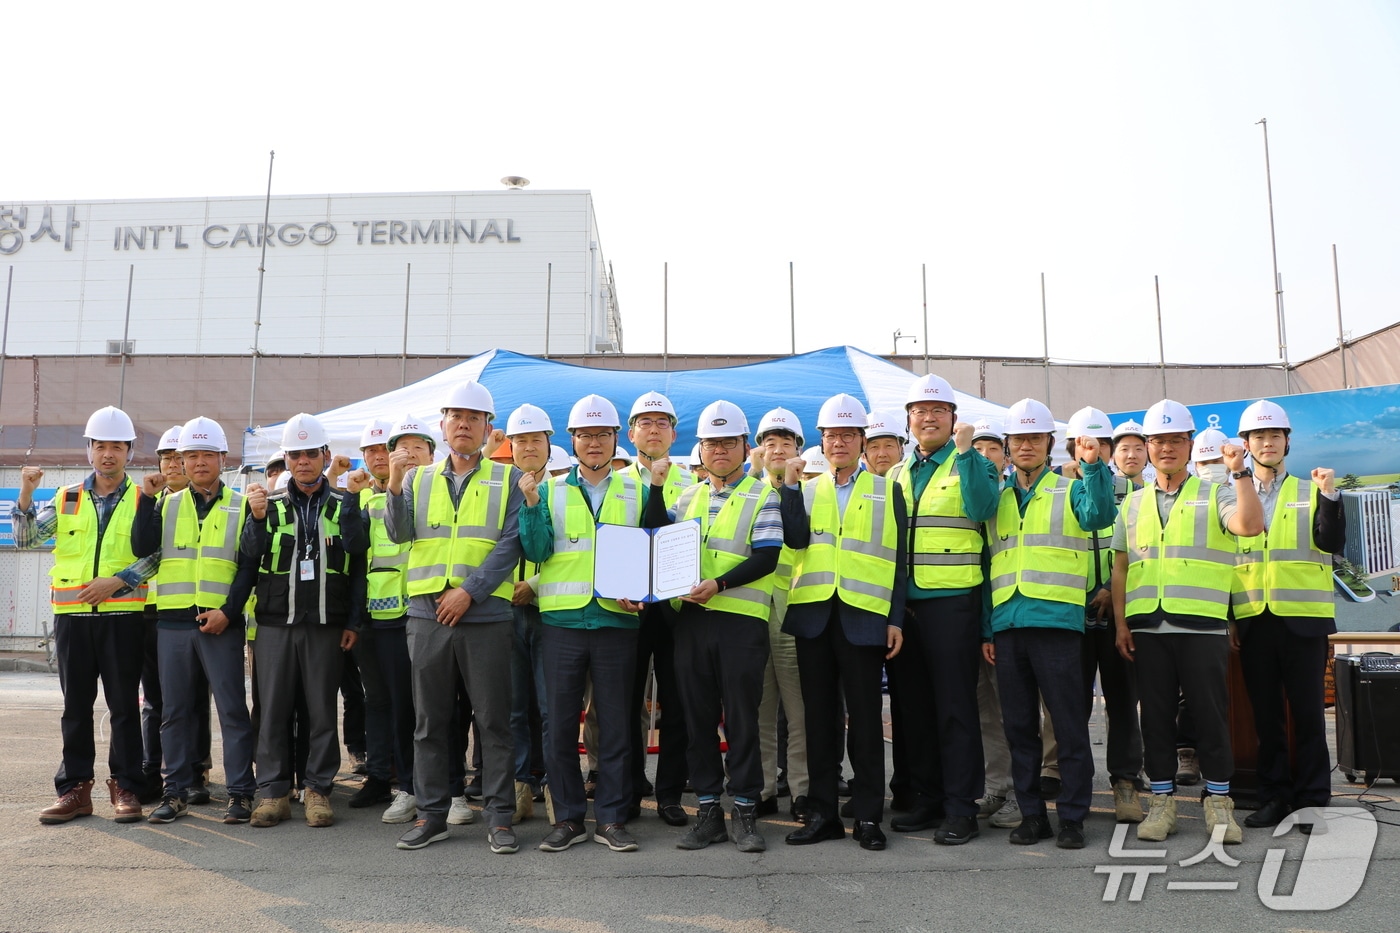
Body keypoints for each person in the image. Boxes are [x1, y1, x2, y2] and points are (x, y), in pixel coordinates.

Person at [1112, 399, 1263, 845]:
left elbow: (1250, 527)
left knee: (1210, 716)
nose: (1166, 449)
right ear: (1148, 446)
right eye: (1158, 441)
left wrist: (1240, 473)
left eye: (1176, 440)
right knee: (1155, 719)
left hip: (1201, 623)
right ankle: (1162, 803)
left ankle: (1219, 802)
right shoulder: (1134, 502)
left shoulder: (1215, 492)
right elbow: (1120, 567)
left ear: (1189, 443)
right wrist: (1121, 624)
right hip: (1147, 627)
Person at [384, 382, 524, 854]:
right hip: (427, 615)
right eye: (455, 416)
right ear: (442, 426)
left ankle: (500, 818)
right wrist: (394, 485)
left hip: (485, 615)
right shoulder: (419, 479)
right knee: (430, 722)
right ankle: (432, 815)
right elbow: (400, 534)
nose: (463, 424)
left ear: (489, 429)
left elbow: (511, 545)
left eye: (473, 417)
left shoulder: (507, 480)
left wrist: (469, 592)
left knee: (493, 722)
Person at [645, 401, 782, 853]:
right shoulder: (688, 496)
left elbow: (767, 556)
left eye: (727, 442)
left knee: (741, 719)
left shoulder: (765, 495)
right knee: (696, 717)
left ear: (745, 447)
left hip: (741, 621)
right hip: (693, 622)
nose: (719, 450)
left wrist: (719, 583)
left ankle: (744, 811)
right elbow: (661, 541)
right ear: (699, 450)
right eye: (710, 443)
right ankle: (708, 811)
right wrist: (655, 488)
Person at [982, 400, 1116, 848]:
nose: (1025, 446)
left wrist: (1092, 465)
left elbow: (1100, 515)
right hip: (1009, 623)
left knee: (1067, 724)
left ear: (1048, 444)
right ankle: (1033, 815)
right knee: (1019, 727)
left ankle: (1074, 818)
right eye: (1017, 439)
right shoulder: (997, 499)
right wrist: (989, 628)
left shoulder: (1070, 487)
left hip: (1057, 623)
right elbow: (989, 566)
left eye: (1034, 438)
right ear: (1007, 445)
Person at [519, 394, 647, 853]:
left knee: (614, 723)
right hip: (562, 623)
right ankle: (569, 818)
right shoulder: (549, 490)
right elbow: (536, 552)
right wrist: (531, 503)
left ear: (616, 439)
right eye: (585, 435)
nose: (594, 442)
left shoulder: (638, 489)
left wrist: (646, 593)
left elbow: (651, 551)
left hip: (617, 623)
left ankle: (611, 818)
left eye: (602, 434)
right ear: (571, 441)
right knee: (558, 727)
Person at [780, 393, 907, 851]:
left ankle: (869, 818)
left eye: (848, 435)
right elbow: (794, 541)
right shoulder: (806, 488)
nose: (839, 442)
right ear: (821, 441)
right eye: (831, 435)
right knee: (819, 721)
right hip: (815, 615)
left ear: (862, 440)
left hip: (864, 616)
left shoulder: (885, 489)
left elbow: (898, 560)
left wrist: (894, 618)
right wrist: (790, 488)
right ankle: (823, 814)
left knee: (867, 720)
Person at [21, 406, 156, 825]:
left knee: (122, 707)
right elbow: (26, 539)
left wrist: (117, 581)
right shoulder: (66, 497)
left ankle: (126, 786)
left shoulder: (143, 498)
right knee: (75, 707)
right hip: (73, 619)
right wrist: (26, 493)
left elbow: (157, 554)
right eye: (101, 446)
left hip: (123, 616)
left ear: (129, 452)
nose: (108, 454)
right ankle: (75, 789)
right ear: (90, 451)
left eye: (117, 446)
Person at [243, 412, 368, 830]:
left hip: (326, 624)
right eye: (294, 455)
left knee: (319, 711)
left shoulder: (343, 504)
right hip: (276, 624)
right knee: (273, 710)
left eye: (310, 454)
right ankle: (274, 793)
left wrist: (352, 621)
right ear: (287, 458)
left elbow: (357, 562)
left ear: (325, 455)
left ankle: (317, 790)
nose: (302, 462)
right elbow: (248, 556)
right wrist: (255, 519)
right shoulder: (269, 506)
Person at [132, 417, 259, 825]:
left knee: (232, 710)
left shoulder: (241, 504)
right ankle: (176, 792)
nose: (199, 462)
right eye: (191, 455)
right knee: (175, 712)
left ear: (223, 458)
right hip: (172, 623)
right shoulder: (165, 504)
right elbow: (142, 548)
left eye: (207, 454)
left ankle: (240, 793)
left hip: (221, 622)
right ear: (180, 461)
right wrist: (146, 502)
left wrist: (230, 612)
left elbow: (249, 566)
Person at [891, 374, 1000, 846]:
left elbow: (982, 507)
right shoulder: (897, 471)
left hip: (952, 602)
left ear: (954, 418)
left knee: (956, 708)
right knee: (913, 710)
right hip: (904, 607)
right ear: (909, 420)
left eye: (938, 410)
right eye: (920, 411)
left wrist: (966, 452)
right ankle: (929, 797)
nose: (928, 418)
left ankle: (961, 807)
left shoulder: (970, 463)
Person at [1232, 399, 1345, 832]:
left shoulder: (1311, 488)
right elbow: (1225, 560)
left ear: (1287, 442)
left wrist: (1330, 496)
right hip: (1253, 621)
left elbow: (1332, 542)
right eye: (1258, 436)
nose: (1266, 442)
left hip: (1304, 619)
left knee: (1309, 715)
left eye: (1274, 435)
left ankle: (1313, 800)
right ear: (1246, 444)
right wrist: (1231, 619)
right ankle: (1274, 796)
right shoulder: (1231, 492)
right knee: (1266, 717)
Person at [623, 391, 694, 826]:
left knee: (677, 704)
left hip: (676, 608)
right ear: (631, 434)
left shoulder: (692, 481)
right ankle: (631, 789)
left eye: (661, 423)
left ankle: (669, 793)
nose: (653, 430)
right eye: (644, 423)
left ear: (673, 432)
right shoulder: (615, 480)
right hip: (628, 606)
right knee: (625, 704)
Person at [341, 419, 415, 823]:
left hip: (408, 614)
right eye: (368, 451)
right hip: (371, 615)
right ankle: (378, 775)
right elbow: (354, 550)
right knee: (377, 701)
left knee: (405, 702)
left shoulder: (414, 492)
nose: (375, 457)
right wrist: (351, 498)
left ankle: (407, 779)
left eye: (381, 450)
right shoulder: (365, 500)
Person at [753, 408, 811, 824]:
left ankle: (804, 790)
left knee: (800, 709)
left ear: (800, 450)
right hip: (754, 612)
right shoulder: (746, 492)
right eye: (770, 443)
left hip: (796, 610)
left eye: (786, 443)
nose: (777, 450)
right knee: (759, 708)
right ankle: (762, 788)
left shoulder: (815, 491)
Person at [965, 419, 1019, 830]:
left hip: (1009, 618)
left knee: (1014, 710)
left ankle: (1020, 790)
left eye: (993, 449)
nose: (985, 456)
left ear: (1006, 455)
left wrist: (992, 627)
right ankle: (995, 787)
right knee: (985, 711)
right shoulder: (969, 496)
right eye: (977, 449)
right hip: (976, 619)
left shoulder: (1012, 498)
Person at [503, 404, 555, 822]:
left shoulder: (563, 489)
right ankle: (521, 784)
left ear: (549, 444)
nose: (529, 447)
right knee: (516, 706)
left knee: (550, 704)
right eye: (521, 441)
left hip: (547, 609)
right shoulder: (501, 488)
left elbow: (572, 549)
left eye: (536, 440)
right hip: (505, 612)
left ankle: (556, 785)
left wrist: (533, 586)